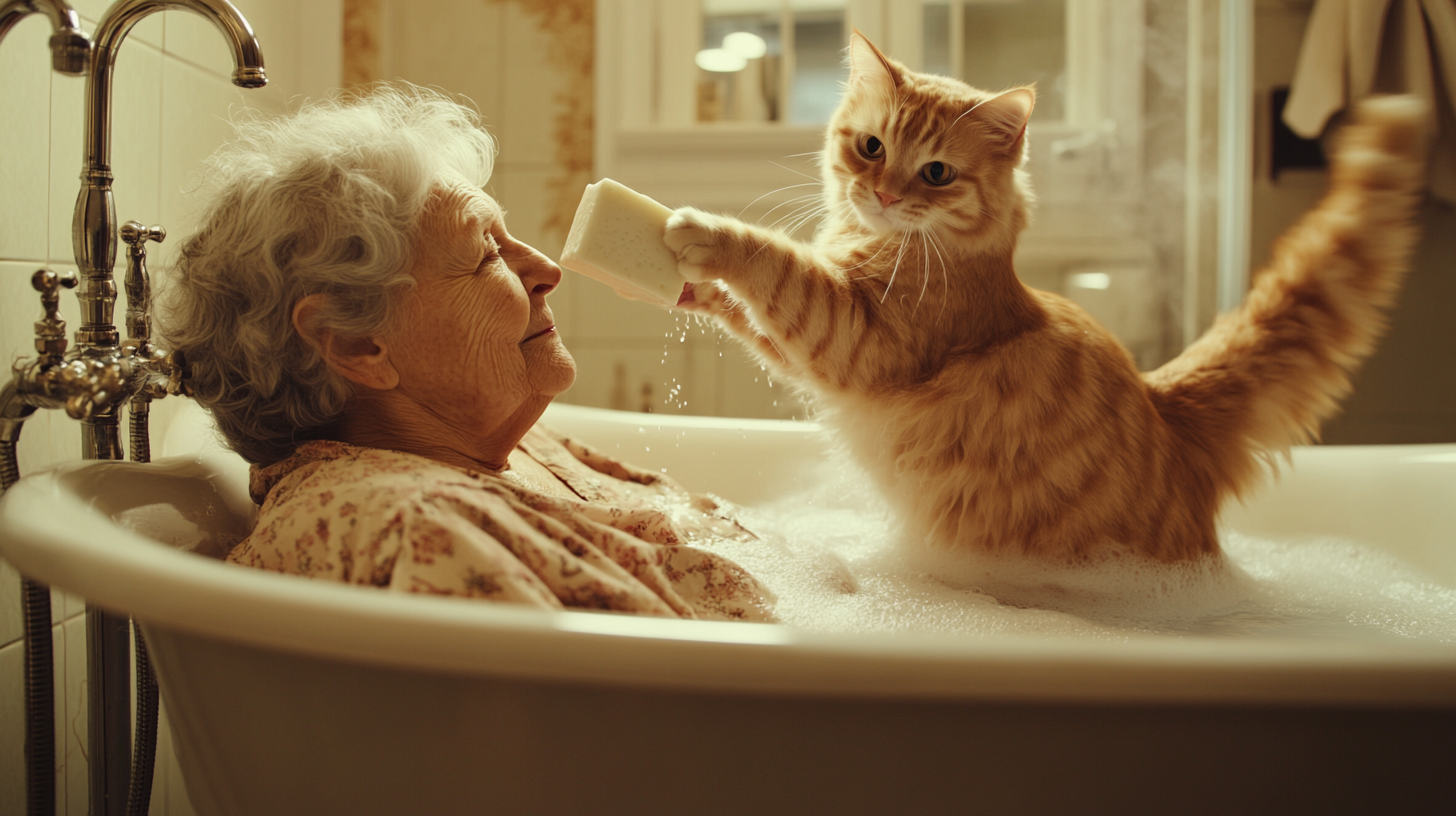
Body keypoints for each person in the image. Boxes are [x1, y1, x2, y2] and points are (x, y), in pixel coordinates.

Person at [163, 85, 772, 621]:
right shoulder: (417, 528)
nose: (546, 270)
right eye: (486, 254)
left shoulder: (492, 442)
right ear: (356, 343)